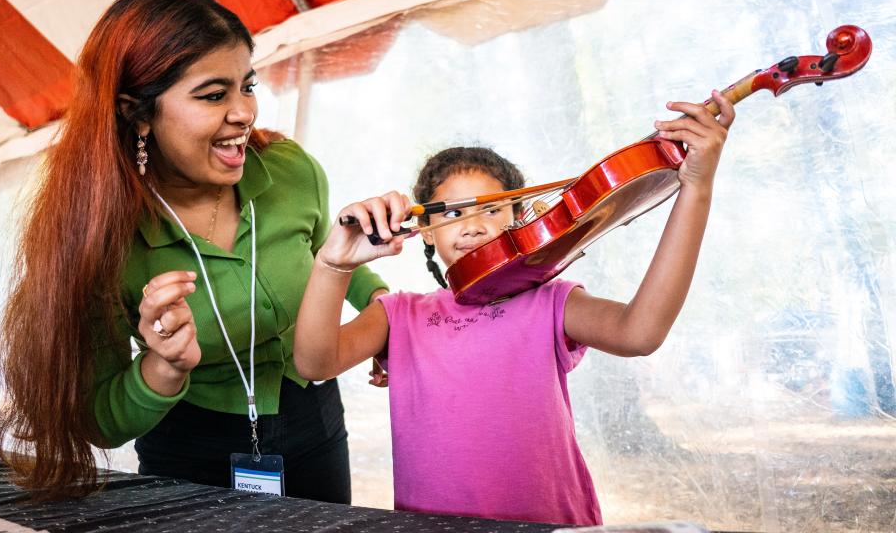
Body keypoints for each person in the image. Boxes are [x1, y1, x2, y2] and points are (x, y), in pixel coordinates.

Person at [0, 0, 387, 502]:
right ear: (138, 113)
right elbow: (101, 425)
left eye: (248, 85)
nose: (244, 112)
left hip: (316, 425)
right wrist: (163, 367)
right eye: (213, 95)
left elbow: (327, 257)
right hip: (188, 452)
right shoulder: (98, 240)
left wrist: (378, 301)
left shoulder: (292, 172)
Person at [293, 92, 735, 525]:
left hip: (549, 523)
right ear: (424, 230)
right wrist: (334, 264)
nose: (474, 225)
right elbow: (315, 363)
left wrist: (696, 187)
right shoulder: (399, 314)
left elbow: (639, 334)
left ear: (520, 219)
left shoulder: (551, 302)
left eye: (492, 209)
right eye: (451, 214)